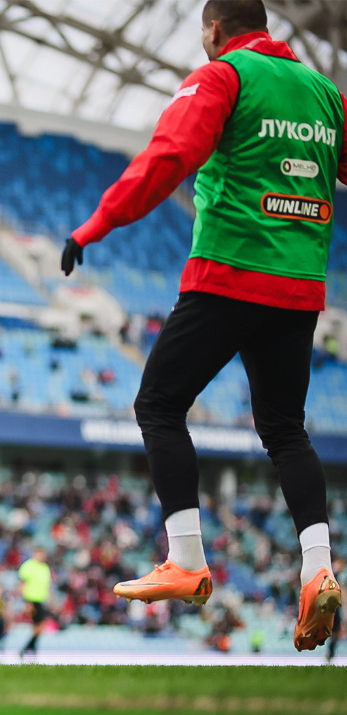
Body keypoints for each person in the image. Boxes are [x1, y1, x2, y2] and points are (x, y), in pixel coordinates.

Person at [61, 0, 347, 652]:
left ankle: (186, 559)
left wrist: (94, 226)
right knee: (285, 430)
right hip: (301, 289)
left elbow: (169, 156)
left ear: (215, 30)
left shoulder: (223, 75)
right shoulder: (326, 95)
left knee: (159, 404)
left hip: (228, 275)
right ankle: (318, 568)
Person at [17, 547, 51, 660]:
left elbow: (47, 586)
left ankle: (29, 648)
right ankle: (28, 649)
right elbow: (22, 583)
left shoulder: (45, 568)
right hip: (31, 600)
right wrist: (26, 602)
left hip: (41, 600)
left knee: (40, 627)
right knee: (38, 627)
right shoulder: (28, 566)